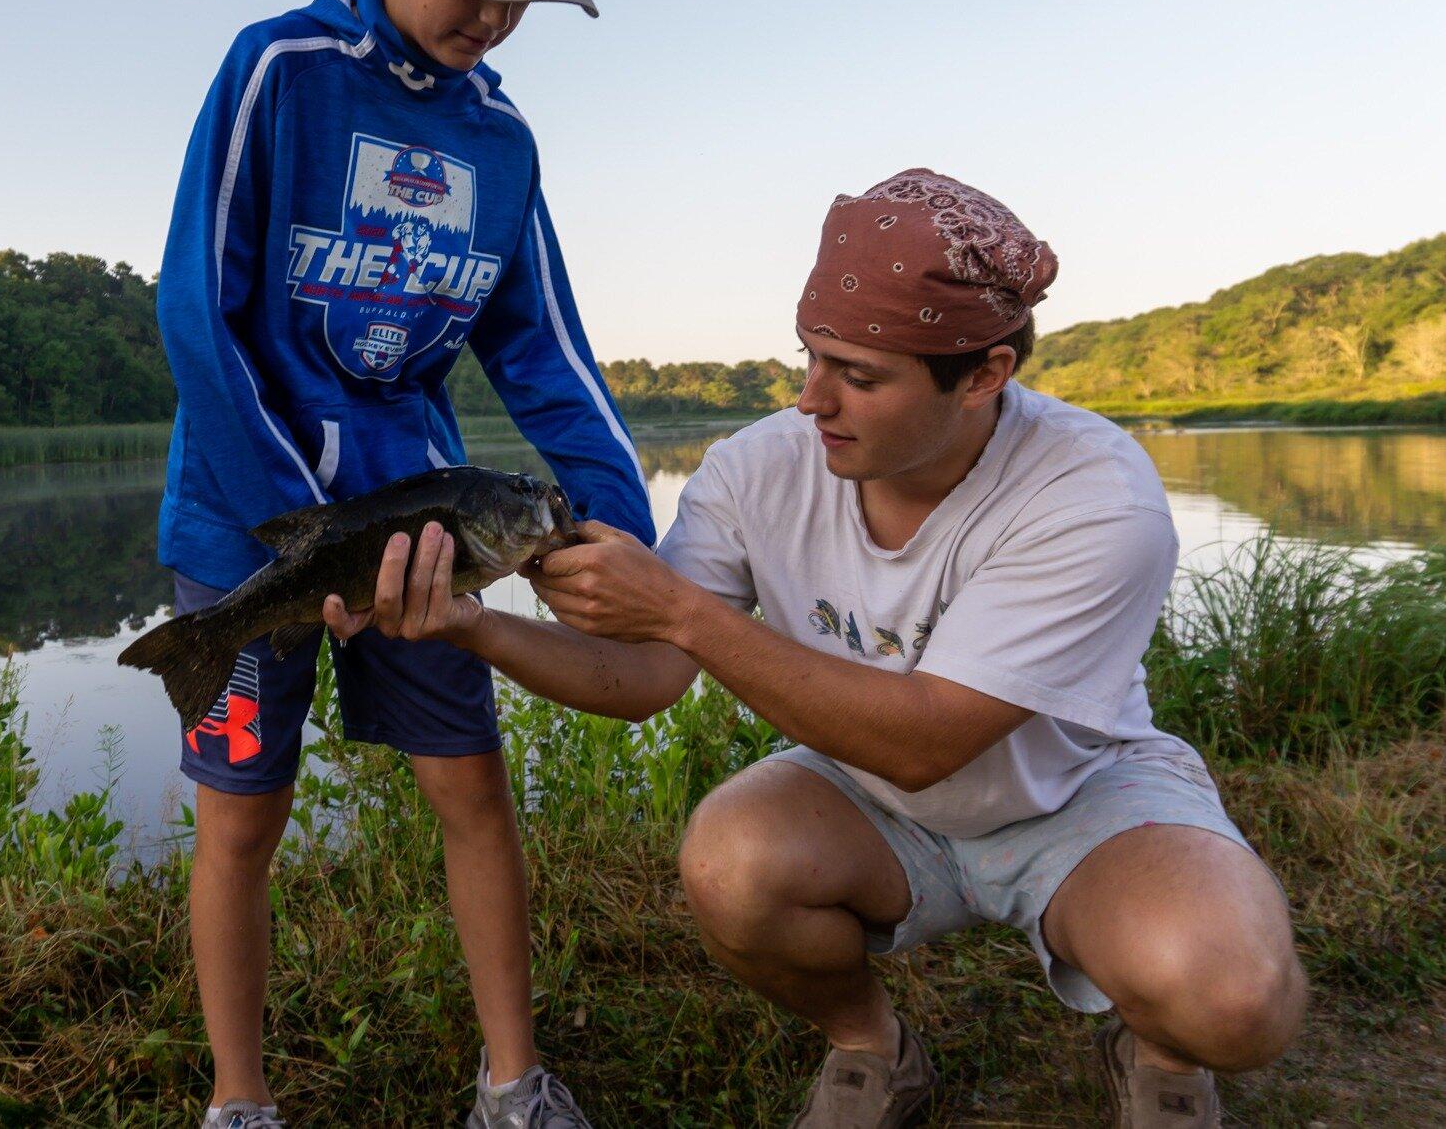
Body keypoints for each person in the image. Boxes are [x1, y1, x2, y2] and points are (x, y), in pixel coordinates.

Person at [327, 170, 1306, 1128]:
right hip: (869, 799)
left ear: (984, 378)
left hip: (1079, 794)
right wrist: (474, 625)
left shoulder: (1095, 493)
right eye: (809, 358)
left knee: (1231, 1000)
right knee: (730, 862)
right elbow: (642, 682)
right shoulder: (756, 470)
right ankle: (872, 1047)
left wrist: (682, 613)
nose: (810, 401)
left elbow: (927, 739)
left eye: (858, 376)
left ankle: (1163, 1053)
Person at [152, 0, 653, 1129]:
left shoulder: (498, 140)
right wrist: (297, 536)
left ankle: (509, 1083)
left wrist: (618, 534)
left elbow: (544, 351)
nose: (493, 19)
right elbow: (197, 313)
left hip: (425, 538)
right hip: (247, 529)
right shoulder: (280, 72)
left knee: (471, 790)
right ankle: (240, 1102)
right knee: (239, 820)